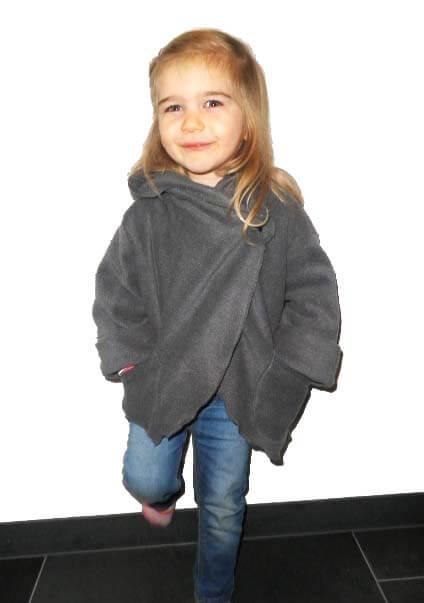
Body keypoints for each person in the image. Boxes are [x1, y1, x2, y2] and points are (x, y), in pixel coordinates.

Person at [92, 27, 342, 603]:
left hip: (238, 387)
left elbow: (313, 291)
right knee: (145, 477)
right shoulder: (148, 215)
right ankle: (160, 497)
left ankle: (213, 594)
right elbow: (116, 292)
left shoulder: (273, 209)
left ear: (247, 119)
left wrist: (294, 365)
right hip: (166, 376)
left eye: (212, 103)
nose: (191, 122)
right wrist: (129, 362)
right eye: (173, 107)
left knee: (225, 504)